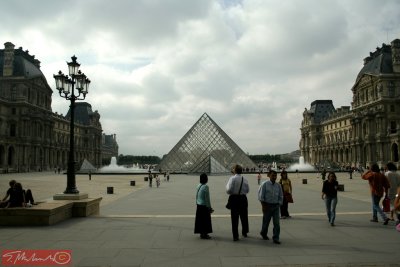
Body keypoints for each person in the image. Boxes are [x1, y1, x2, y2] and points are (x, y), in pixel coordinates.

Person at [258, 170, 283, 244]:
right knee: (266, 222)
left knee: (277, 223)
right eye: (273, 175)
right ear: (268, 175)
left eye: (275, 176)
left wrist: (279, 203)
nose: (274, 177)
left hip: (275, 206)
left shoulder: (278, 185)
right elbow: (261, 196)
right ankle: (263, 233)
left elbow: (281, 195)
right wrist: (263, 206)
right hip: (267, 205)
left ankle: (276, 237)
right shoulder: (264, 184)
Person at [226, 164, 249, 241]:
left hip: (235, 199)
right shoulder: (245, 179)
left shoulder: (232, 179)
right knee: (244, 216)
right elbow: (247, 190)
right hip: (243, 199)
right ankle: (245, 232)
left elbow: (228, 190)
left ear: (235, 170)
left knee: (234, 218)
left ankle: (235, 236)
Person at [194, 173, 214, 239]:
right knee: (205, 221)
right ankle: (205, 234)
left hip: (199, 205)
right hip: (204, 206)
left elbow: (196, 195)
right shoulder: (206, 187)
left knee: (200, 220)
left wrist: (196, 202)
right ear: (206, 179)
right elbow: (207, 198)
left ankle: (201, 233)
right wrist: (209, 207)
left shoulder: (198, 185)